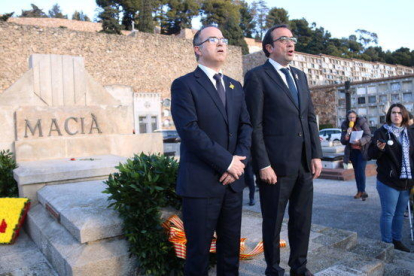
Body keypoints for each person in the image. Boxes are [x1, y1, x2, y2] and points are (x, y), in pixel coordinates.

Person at [171, 26, 252, 275]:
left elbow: (246, 127)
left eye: (223, 39)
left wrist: (238, 164)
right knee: (198, 254)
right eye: (213, 39)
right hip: (200, 184)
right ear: (198, 49)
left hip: (232, 183)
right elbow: (190, 131)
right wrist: (227, 162)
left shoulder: (235, 86)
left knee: (230, 254)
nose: (221, 43)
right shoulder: (184, 85)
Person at [244, 24, 323, 276]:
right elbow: (254, 125)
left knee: (302, 220)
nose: (291, 44)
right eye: (284, 40)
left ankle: (299, 267)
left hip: (304, 163)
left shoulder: (300, 76)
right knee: (273, 222)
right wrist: (263, 164)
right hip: (275, 167)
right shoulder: (257, 76)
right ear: (269, 48)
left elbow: (309, 118)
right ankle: (273, 269)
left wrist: (316, 154)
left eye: (292, 39)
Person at [368, 103, 413, 252]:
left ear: (404, 115)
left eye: (400, 113)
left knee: (400, 214)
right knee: (388, 213)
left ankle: (397, 240)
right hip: (388, 181)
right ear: (389, 115)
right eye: (393, 112)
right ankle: (386, 244)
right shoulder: (382, 132)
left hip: (406, 181)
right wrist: (379, 149)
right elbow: (371, 154)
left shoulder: (410, 133)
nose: (396, 115)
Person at [340, 110, 371, 200]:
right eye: (350, 117)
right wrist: (347, 134)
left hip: (362, 150)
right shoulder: (345, 125)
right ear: (347, 118)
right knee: (356, 171)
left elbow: (368, 136)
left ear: (356, 117)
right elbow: (343, 141)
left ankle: (363, 191)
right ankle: (359, 191)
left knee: (361, 170)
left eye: (353, 117)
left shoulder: (362, 122)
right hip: (352, 151)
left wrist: (360, 141)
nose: (352, 119)